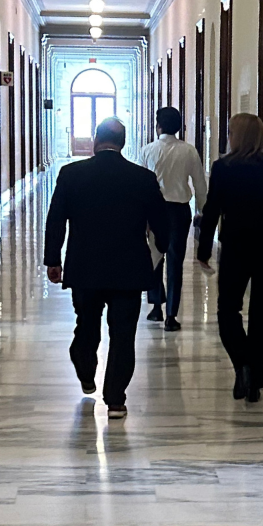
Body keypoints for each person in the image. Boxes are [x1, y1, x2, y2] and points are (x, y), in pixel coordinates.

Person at [44, 118, 168, 419]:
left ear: (95, 141)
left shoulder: (71, 174)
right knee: (123, 334)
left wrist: (53, 260)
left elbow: (56, 218)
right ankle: (115, 400)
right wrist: (157, 253)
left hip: (85, 268)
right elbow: (162, 227)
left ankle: (87, 373)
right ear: (123, 143)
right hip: (128, 270)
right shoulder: (143, 178)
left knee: (86, 325)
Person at [197, 114, 263, 403]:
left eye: (230, 132)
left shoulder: (223, 168)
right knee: (260, 311)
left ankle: (242, 364)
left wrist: (203, 250)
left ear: (236, 136)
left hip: (236, 247)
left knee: (227, 310)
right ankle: (255, 382)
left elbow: (211, 211)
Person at [142, 107, 208, 332]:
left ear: (158, 126)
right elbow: (200, 184)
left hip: (154, 210)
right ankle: (171, 314)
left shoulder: (147, 151)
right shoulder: (189, 151)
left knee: (154, 258)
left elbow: (139, 186)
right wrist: (202, 211)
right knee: (175, 261)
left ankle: (156, 307)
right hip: (179, 211)